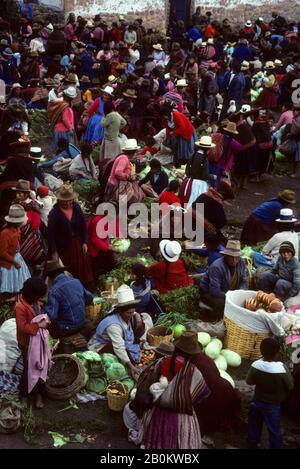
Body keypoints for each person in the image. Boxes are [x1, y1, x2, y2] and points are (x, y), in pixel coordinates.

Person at [136, 332, 210, 449]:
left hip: (158, 410)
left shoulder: (163, 361)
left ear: (176, 347)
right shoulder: (192, 371)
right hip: (181, 416)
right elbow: (201, 393)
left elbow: (146, 377)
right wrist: (179, 397)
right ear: (192, 354)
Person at [246, 337, 294, 449]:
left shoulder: (256, 365)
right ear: (277, 353)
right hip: (273, 405)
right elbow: (290, 386)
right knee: (274, 429)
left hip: (257, 401)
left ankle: (252, 442)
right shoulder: (282, 369)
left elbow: (249, 381)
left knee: (254, 423)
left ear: (261, 351)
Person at [94, 285, 152, 377]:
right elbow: (119, 347)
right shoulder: (113, 325)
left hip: (117, 343)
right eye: (128, 313)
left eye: (132, 312)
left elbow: (135, 314)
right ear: (120, 311)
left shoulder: (130, 315)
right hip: (102, 346)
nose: (131, 315)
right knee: (125, 364)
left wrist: (137, 316)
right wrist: (130, 365)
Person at [47, 184, 93, 286]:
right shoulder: (54, 213)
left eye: (70, 200)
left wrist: (85, 242)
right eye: (65, 200)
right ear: (60, 200)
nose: (68, 202)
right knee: (68, 270)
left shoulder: (76, 207)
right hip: (63, 247)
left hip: (77, 243)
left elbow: (83, 225)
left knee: (81, 270)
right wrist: (54, 252)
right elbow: (50, 235)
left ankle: (83, 289)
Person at [15, 277, 49, 409]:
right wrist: (39, 325)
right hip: (26, 343)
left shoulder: (36, 303)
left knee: (41, 366)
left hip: (38, 342)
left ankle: (39, 394)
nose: (39, 299)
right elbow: (23, 327)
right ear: (32, 294)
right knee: (29, 369)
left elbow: (40, 316)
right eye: (38, 296)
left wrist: (45, 322)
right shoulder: (20, 307)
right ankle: (24, 395)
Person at [43, 260, 94, 339]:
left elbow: (51, 315)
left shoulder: (54, 290)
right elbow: (90, 298)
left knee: (46, 325)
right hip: (82, 321)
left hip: (67, 328)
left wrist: (44, 308)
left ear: (50, 277)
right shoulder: (76, 281)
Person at [199, 240, 248, 320]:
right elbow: (214, 291)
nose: (234, 260)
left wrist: (240, 293)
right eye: (231, 257)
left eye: (236, 257)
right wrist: (231, 298)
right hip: (209, 292)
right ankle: (208, 310)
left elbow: (244, 281)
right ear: (226, 255)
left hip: (229, 291)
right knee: (222, 304)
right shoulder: (217, 266)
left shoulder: (241, 262)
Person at [0, 204, 30, 295]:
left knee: (18, 281)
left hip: (16, 257)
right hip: (8, 262)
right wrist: (14, 262)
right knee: (9, 281)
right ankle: (7, 299)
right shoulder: (5, 233)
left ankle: (15, 297)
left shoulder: (17, 230)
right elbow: (2, 252)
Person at [103, 139, 145, 205]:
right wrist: (129, 177)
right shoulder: (123, 159)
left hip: (118, 186)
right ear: (132, 152)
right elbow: (118, 173)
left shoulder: (124, 158)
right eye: (135, 152)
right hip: (115, 187)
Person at [179, 136, 212, 207]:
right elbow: (205, 175)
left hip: (188, 182)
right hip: (199, 185)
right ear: (208, 149)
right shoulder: (204, 159)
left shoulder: (193, 155)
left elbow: (187, 170)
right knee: (197, 205)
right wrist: (212, 176)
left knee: (185, 202)